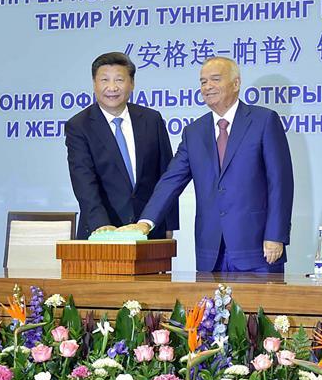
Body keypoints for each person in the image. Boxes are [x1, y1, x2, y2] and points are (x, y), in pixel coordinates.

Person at [115, 57, 294, 272]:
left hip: (257, 248)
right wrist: (146, 222)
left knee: (258, 306)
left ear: (236, 83)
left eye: (215, 79)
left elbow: (280, 183)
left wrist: (275, 235)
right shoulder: (194, 132)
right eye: (202, 82)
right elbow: (171, 181)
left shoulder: (264, 121)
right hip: (210, 251)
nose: (207, 87)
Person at [65, 52, 178, 240]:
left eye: (119, 80)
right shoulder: (79, 126)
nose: (112, 87)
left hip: (149, 230)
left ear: (131, 84)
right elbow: (84, 182)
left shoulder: (151, 119)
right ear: (94, 84)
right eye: (104, 80)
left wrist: (169, 223)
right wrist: (101, 226)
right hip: (101, 232)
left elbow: (166, 175)